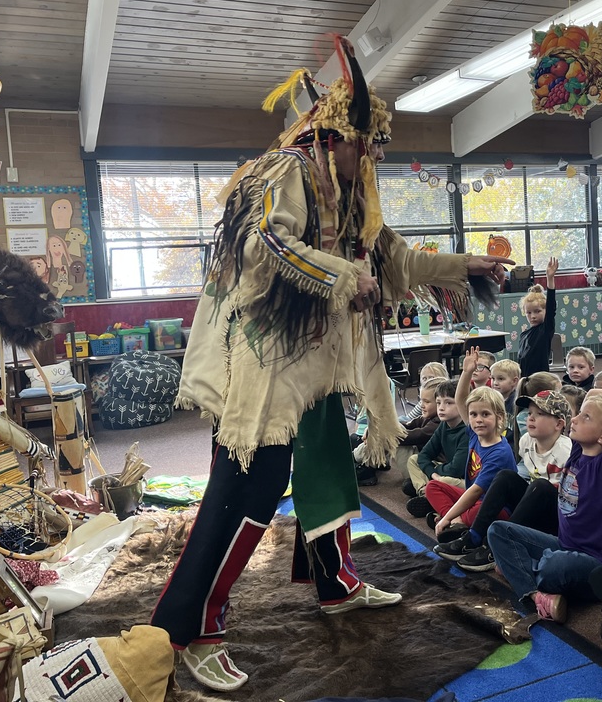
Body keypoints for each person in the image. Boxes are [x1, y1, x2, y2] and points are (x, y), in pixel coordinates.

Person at [150, 37, 513, 692]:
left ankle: (336, 582)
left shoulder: (353, 197)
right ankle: (192, 628)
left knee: (326, 466)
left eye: (377, 147)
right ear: (335, 134)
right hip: (259, 370)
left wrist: (469, 265)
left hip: (316, 366)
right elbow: (268, 243)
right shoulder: (285, 172)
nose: (374, 156)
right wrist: (343, 275)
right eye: (367, 143)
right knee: (245, 495)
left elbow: (396, 262)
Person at [487, 316, 602, 624]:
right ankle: (537, 597)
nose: (575, 419)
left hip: (601, 562)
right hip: (565, 546)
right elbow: (596, 399)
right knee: (498, 531)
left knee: (555, 566)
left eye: (584, 418)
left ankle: (531, 573)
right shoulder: (577, 451)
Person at [433, 389, 573, 571]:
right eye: (530, 413)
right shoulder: (526, 442)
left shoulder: (566, 451)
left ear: (559, 424)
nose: (530, 418)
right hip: (535, 505)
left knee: (541, 486)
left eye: (540, 414)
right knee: (506, 476)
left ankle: (497, 545)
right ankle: (473, 537)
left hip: (558, 519)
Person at [426, 347, 517, 536]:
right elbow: (460, 400)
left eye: (485, 414)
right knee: (433, 487)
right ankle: (457, 521)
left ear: (499, 417)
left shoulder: (499, 451)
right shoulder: (475, 433)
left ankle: (454, 520)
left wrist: (447, 517)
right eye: (474, 415)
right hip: (475, 499)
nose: (478, 420)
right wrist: (466, 372)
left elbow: (475, 491)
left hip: (496, 506)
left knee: (476, 510)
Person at [358, 376, 445, 487]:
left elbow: (416, 436)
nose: (422, 405)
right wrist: (378, 428)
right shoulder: (427, 418)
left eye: (427, 402)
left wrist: (381, 432)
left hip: (425, 469)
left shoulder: (439, 423)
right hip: (422, 462)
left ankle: (358, 459)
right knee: (395, 429)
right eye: (421, 400)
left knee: (396, 438)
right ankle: (364, 462)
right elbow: (407, 425)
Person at [404, 377, 469, 514]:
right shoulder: (444, 425)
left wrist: (434, 472)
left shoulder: (467, 431)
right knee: (413, 460)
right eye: (438, 402)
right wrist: (433, 473)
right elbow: (424, 455)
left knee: (445, 479)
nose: (441, 408)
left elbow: (456, 469)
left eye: (449, 403)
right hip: (444, 473)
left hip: (465, 480)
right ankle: (425, 494)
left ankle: (430, 492)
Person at [517, 257, 558, 377]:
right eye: (528, 313)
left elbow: (551, 305)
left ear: (545, 311)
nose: (533, 316)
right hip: (525, 378)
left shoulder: (545, 329)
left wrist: (550, 278)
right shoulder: (524, 334)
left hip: (540, 378)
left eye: (537, 311)